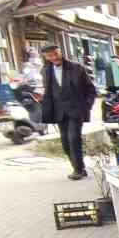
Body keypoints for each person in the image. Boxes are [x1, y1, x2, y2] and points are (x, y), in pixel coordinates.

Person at [40, 45, 98, 180]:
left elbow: (91, 90)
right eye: (50, 56)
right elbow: (48, 91)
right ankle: (77, 167)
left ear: (60, 52)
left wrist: (86, 107)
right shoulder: (45, 71)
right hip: (58, 111)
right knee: (65, 142)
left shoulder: (77, 68)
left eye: (55, 54)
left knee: (73, 139)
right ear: (46, 57)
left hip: (75, 110)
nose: (54, 58)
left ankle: (78, 169)